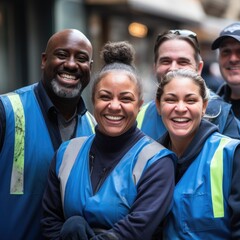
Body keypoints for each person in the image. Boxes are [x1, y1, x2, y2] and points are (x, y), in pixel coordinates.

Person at [41, 41, 176, 240]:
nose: (114, 106)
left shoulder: (157, 162)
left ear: (139, 105)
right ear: (93, 100)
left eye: (126, 99)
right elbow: (50, 221)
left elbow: (136, 231)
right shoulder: (66, 153)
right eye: (105, 96)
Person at [0, 29, 96, 240]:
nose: (71, 64)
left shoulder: (92, 127)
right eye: (62, 55)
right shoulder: (7, 111)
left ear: (89, 68)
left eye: (81, 58)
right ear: (44, 60)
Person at [155, 68, 240, 239]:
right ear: (158, 105)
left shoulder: (231, 154)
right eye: (171, 99)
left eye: (190, 100)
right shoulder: (150, 160)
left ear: (204, 107)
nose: (180, 108)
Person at [137, 29, 240, 140]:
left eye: (183, 62)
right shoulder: (140, 114)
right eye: (166, 61)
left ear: (199, 68)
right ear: (155, 68)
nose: (173, 68)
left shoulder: (221, 115)